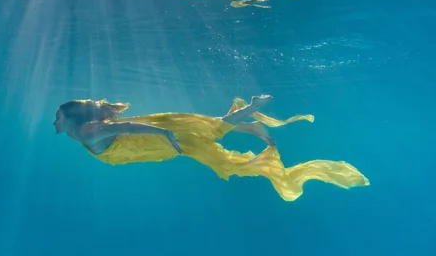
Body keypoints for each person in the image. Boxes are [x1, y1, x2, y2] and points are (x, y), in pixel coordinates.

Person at [53, 95, 369, 201]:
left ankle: (252, 110)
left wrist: (163, 132)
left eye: (58, 116)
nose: (54, 121)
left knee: (219, 155)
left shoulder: (87, 131)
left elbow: (126, 126)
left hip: (150, 140)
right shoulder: (77, 131)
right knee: (211, 128)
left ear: (70, 118)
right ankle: (247, 116)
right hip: (144, 144)